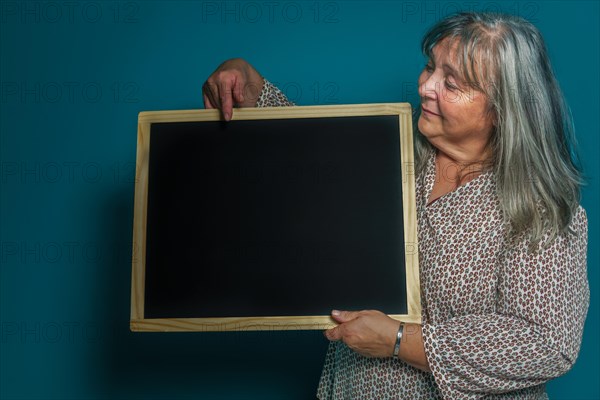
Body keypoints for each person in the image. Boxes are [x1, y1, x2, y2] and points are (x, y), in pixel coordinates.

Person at [202, 12, 589, 399]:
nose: (425, 86)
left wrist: (399, 340)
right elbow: (308, 158)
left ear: (502, 111)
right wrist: (249, 87)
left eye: (450, 83)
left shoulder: (541, 209)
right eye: (429, 67)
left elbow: (544, 343)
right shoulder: (388, 150)